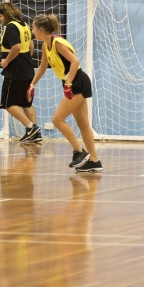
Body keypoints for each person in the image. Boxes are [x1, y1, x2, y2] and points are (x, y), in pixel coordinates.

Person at [29, 14, 103, 172]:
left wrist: (68, 83)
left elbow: (75, 62)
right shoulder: (45, 45)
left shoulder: (56, 43)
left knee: (57, 119)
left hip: (76, 81)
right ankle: (94, 161)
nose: (32, 30)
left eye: (34, 27)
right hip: (71, 82)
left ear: (41, 29)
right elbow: (42, 67)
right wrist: (32, 84)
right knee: (83, 124)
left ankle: (79, 152)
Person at [0, 3, 41, 143]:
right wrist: (26, 60)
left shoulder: (11, 27)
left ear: (6, 15)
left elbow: (16, 47)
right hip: (28, 67)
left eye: (0, 16)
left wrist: (6, 62)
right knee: (25, 103)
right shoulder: (24, 26)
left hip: (15, 70)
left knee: (8, 103)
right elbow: (31, 46)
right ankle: (36, 135)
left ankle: (31, 128)